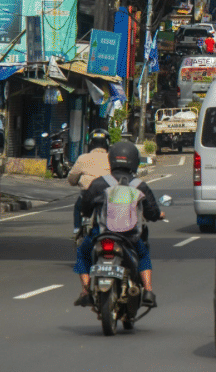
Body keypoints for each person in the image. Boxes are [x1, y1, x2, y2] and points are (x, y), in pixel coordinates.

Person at [73, 141, 164, 308]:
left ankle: (86, 291)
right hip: (130, 237)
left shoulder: (99, 183)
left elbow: (85, 207)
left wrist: (87, 213)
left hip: (101, 235)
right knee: (143, 255)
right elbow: (152, 212)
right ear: (134, 162)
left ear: (111, 160)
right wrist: (159, 215)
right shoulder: (139, 185)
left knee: (82, 253)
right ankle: (148, 291)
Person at [66, 128, 111, 242]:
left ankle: (77, 229)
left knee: (78, 206)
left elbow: (72, 178)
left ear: (91, 143)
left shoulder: (83, 158)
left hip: (87, 194)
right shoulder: (111, 158)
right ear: (107, 143)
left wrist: (75, 182)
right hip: (108, 195)